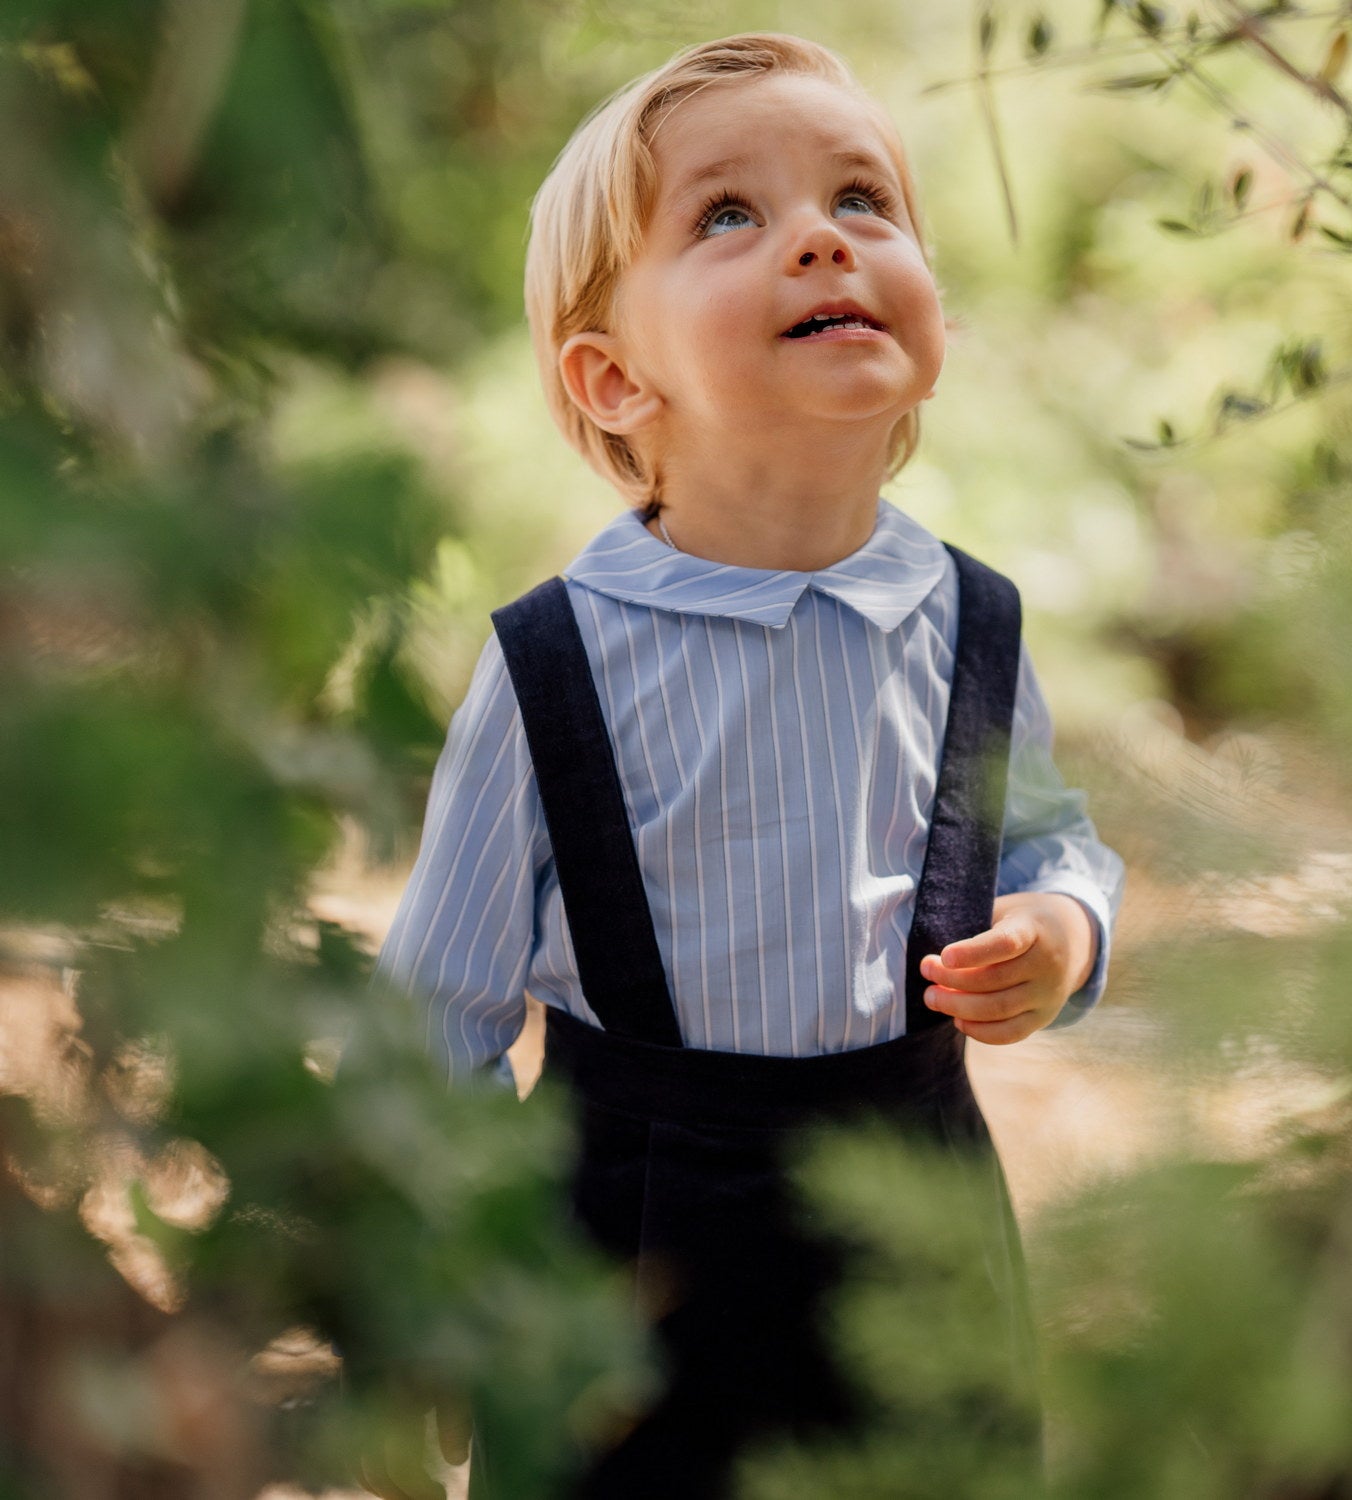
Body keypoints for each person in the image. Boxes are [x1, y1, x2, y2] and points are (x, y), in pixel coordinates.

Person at [366, 31, 1125, 1500]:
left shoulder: (970, 623)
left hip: (917, 1222)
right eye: (729, 213)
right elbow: (431, 1019)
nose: (822, 237)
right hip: (618, 1248)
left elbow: (1052, 844)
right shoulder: (556, 663)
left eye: (864, 199)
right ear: (611, 379)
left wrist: (1060, 931)